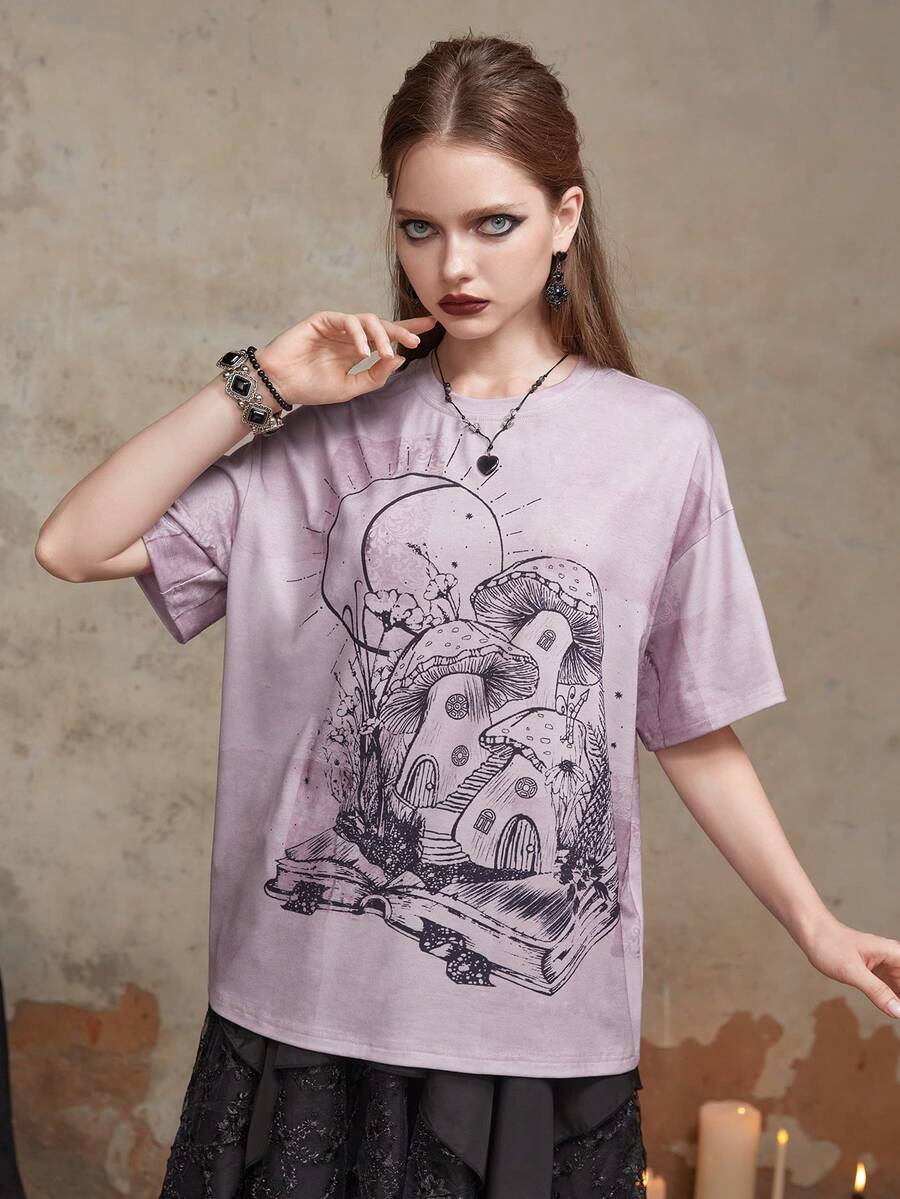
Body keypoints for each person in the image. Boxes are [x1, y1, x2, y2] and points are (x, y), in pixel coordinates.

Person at [34, 30, 900, 1199]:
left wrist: (813, 923)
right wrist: (261, 386)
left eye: (495, 223)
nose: (455, 265)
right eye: (420, 227)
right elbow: (74, 544)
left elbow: (689, 723)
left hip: (531, 1039)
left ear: (565, 216)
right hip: (304, 1017)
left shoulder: (659, 445)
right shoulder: (321, 434)